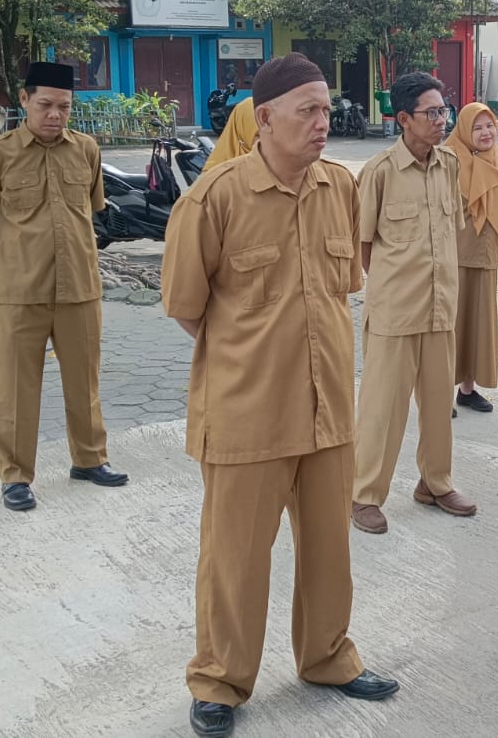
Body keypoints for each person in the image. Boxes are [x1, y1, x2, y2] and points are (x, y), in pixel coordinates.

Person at [161, 53, 398, 738]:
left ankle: (327, 657)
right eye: (308, 111)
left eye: (326, 110)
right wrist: (256, 352)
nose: (324, 122)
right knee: (235, 558)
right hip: (248, 413)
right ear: (264, 119)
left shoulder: (339, 186)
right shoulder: (214, 197)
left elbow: (341, 286)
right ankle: (219, 680)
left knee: (328, 550)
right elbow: (187, 306)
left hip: (328, 409)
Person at [0, 61, 127, 511]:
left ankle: (90, 459)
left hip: (79, 284)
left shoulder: (86, 150)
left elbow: (91, 209)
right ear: (24, 100)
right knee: (15, 388)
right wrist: (5, 266)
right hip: (20, 291)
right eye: (45, 105)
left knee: (84, 380)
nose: (55, 115)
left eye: (64, 107)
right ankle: (15, 476)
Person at [351, 71, 476, 534]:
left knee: (439, 404)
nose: (442, 120)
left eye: (445, 110)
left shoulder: (450, 165)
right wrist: (393, 283)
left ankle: (435, 483)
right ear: (403, 118)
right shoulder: (380, 172)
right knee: (383, 408)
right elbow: (362, 245)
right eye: (432, 112)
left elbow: (453, 228)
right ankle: (364, 494)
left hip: (441, 307)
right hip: (395, 312)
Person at [448, 102, 498, 414]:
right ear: (464, 130)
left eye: (490, 126)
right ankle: (438, 392)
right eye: (477, 128)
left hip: (486, 256)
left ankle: (467, 389)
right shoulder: (448, 161)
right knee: (450, 324)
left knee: (477, 324)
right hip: (453, 256)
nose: (486, 133)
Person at [204, 96, 258, 171]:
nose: (265, 141)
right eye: (257, 135)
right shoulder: (216, 172)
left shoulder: (270, 162)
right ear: (241, 131)